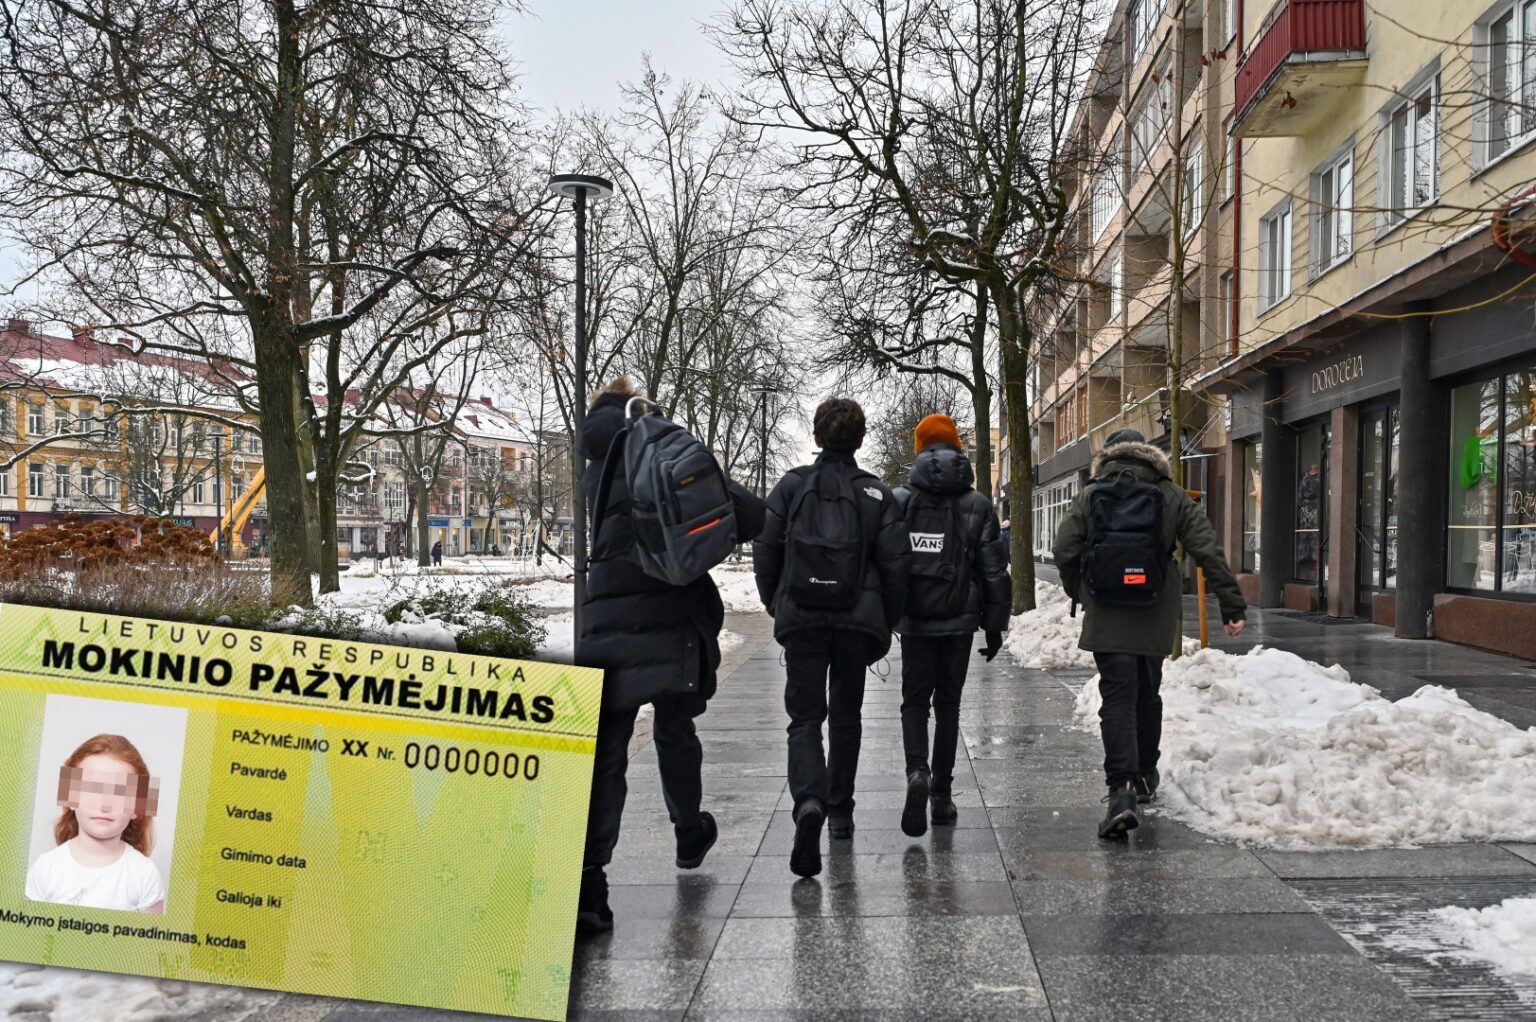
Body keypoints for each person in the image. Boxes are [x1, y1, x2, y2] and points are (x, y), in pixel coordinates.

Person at [576, 377, 765, 934]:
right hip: (672, 611)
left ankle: (591, 884)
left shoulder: (594, 465)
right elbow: (751, 514)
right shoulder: (661, 447)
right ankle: (688, 832)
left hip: (607, 614)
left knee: (608, 752)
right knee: (675, 730)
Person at [1052, 428, 1246, 839]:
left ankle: (1120, 790)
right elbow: (1206, 548)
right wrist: (1231, 604)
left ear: (1110, 456)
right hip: (1154, 610)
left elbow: (1064, 548)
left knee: (1117, 698)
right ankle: (1143, 775)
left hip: (1107, 611)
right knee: (1147, 693)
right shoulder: (1170, 494)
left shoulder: (1091, 494)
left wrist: (1081, 591)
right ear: (1147, 454)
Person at [754, 397, 908, 877]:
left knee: (803, 718)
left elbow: (765, 546)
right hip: (855, 622)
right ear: (859, 439)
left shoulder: (792, 486)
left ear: (818, 435)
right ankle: (840, 811)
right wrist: (887, 618)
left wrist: (776, 601)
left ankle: (808, 802)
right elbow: (896, 565)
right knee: (846, 717)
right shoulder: (876, 494)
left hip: (803, 619)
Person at [891, 415, 1011, 837]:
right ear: (958, 448)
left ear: (919, 449)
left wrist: (886, 614)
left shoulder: (900, 500)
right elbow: (993, 570)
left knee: (913, 703)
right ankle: (941, 796)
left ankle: (916, 772)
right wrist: (994, 626)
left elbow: (887, 562)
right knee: (948, 706)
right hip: (959, 620)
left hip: (916, 621)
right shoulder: (978, 504)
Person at [27, 734, 166, 913]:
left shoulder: (145, 875)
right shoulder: (45, 868)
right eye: (92, 789)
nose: (105, 805)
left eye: (119, 792)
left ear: (137, 807)